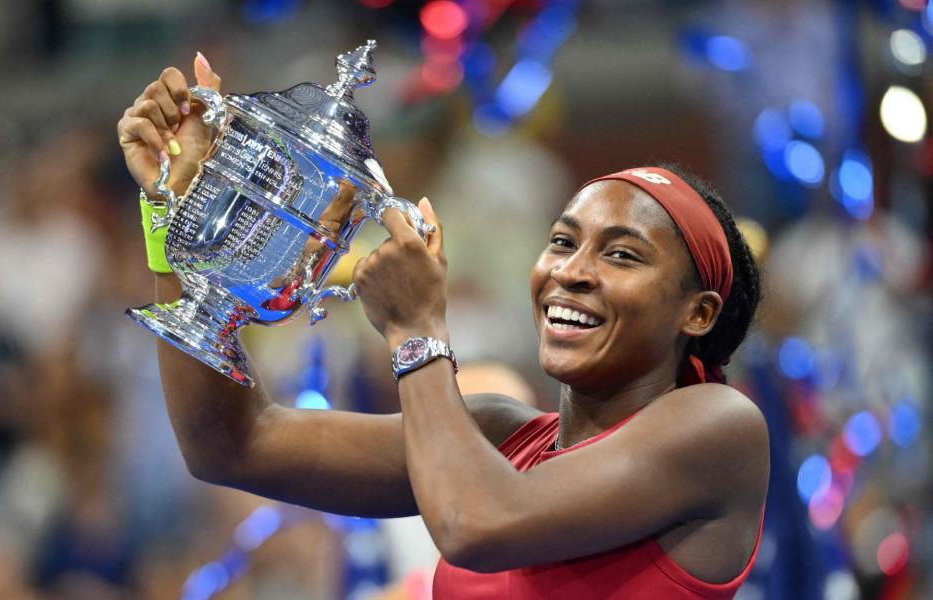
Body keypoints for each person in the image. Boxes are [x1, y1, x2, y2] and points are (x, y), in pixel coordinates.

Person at [117, 55, 769, 599]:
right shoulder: (491, 436)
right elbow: (231, 444)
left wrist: (414, 329)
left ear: (700, 312)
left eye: (621, 254)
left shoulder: (719, 426)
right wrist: (179, 227)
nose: (573, 271)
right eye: (563, 242)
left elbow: (474, 526)